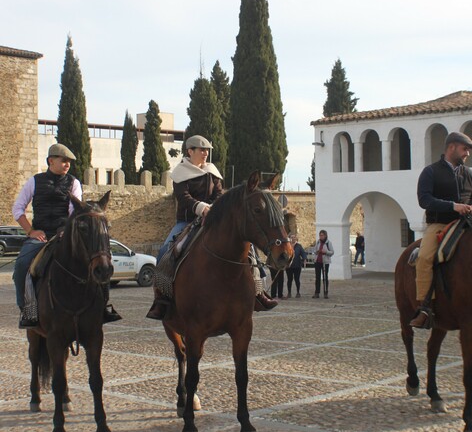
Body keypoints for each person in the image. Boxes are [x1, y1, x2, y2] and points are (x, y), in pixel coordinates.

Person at [147, 135, 278, 319]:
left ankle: (258, 292)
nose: (205, 153)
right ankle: (161, 299)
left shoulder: (212, 171)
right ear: (190, 151)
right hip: (187, 220)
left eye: (207, 150)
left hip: (214, 219)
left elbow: (219, 194)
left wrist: (215, 208)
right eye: (201, 150)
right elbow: (183, 197)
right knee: (165, 251)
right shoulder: (180, 173)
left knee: (249, 249)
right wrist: (201, 208)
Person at [12, 143, 121, 328]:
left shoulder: (74, 183)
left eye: (69, 162)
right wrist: (31, 231)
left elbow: (74, 210)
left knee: (98, 262)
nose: (67, 164)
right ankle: (27, 310)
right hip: (40, 236)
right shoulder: (34, 181)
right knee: (22, 266)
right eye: (64, 160)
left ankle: (103, 306)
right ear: (51, 161)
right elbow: (18, 209)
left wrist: (65, 230)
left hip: (66, 234)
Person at [410, 131, 472, 328]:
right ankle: (425, 307)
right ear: (451, 147)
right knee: (425, 257)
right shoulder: (431, 172)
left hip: (468, 224)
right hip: (440, 224)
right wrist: (453, 206)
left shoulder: (471, 174)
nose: (467, 153)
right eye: (465, 149)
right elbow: (424, 200)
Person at [312, 230, 334, 299]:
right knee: (317, 277)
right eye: (320, 235)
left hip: (325, 262)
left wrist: (326, 251)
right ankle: (317, 292)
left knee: (325, 277)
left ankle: (325, 292)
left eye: (322, 235)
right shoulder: (318, 242)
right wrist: (317, 251)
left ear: (325, 235)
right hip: (318, 261)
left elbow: (332, 252)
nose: (321, 237)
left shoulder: (328, 243)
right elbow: (314, 250)